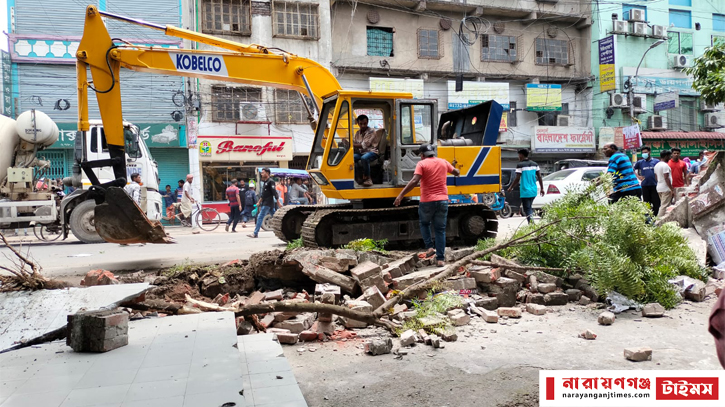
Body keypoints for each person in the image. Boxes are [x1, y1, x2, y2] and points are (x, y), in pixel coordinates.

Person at [393, 144, 459, 267]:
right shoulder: (443, 162)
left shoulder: (422, 164)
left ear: (422, 155)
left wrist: (401, 195)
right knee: (440, 230)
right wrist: (454, 168)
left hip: (427, 201)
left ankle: (429, 247)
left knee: (424, 224)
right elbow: (456, 172)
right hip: (443, 201)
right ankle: (440, 259)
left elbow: (414, 180)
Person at [507, 149, 544, 224]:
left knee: (527, 208)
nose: (518, 157)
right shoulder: (535, 164)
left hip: (525, 190)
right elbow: (539, 177)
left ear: (521, 155)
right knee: (529, 207)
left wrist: (511, 187)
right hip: (533, 190)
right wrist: (542, 188)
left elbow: (517, 179)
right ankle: (531, 223)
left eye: (519, 155)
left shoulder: (520, 165)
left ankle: (531, 224)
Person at [353, 115, 382, 187]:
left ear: (367, 122)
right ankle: (357, 178)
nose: (363, 126)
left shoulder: (371, 131)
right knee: (351, 158)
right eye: (361, 124)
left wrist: (351, 144)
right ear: (358, 123)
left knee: (364, 158)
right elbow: (355, 144)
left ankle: (368, 178)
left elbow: (364, 145)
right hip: (361, 152)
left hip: (372, 152)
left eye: (365, 123)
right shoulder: (357, 133)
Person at [249, 168, 277, 238]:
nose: (261, 174)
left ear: (267, 173)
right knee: (275, 217)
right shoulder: (265, 182)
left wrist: (278, 202)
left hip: (267, 203)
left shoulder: (271, 181)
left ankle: (255, 233)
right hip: (267, 203)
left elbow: (274, 192)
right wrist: (259, 202)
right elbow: (263, 194)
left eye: (263, 172)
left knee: (260, 217)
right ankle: (283, 229)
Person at [634, 146, 660, 216]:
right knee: (646, 203)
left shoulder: (656, 161)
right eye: (643, 153)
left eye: (645, 152)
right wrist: (638, 176)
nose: (644, 154)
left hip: (654, 185)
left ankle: (655, 217)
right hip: (645, 185)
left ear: (649, 152)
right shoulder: (640, 162)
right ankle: (647, 217)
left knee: (656, 202)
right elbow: (632, 169)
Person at [654, 150, 675, 217]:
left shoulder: (657, 165)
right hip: (666, 188)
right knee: (664, 206)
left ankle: (663, 221)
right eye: (669, 156)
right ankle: (658, 222)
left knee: (663, 205)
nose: (670, 158)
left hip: (659, 187)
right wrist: (671, 189)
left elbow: (656, 177)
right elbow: (666, 178)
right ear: (666, 156)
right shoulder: (665, 166)